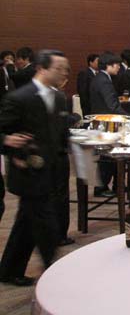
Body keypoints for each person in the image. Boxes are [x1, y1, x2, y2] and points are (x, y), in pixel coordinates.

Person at [0, 50, 70, 286]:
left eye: (65, 69)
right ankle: (56, 275)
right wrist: (7, 141)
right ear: (41, 69)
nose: (63, 73)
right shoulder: (19, 98)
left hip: (50, 170)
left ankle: (9, 270)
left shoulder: (59, 98)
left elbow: (58, 134)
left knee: (26, 223)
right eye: (58, 68)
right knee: (47, 225)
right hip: (27, 171)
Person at [90, 53, 130, 196]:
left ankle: (116, 185)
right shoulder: (104, 81)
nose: (119, 67)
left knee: (112, 156)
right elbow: (112, 106)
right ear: (109, 65)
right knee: (107, 157)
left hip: (105, 121)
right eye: (117, 65)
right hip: (106, 123)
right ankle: (101, 187)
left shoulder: (101, 78)